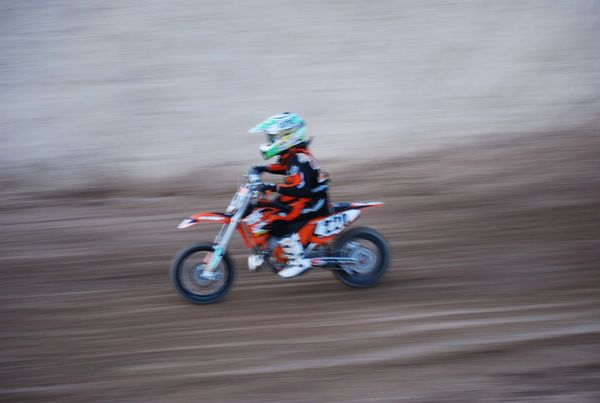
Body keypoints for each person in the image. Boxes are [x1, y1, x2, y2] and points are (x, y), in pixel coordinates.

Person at [249, 112, 329, 278]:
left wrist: (273, 186)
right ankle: (272, 250)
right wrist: (260, 168)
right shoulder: (292, 155)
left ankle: (299, 261)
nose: (270, 141)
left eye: (273, 137)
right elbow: (284, 168)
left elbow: (301, 189)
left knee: (280, 218)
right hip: (303, 199)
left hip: (313, 202)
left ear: (287, 136)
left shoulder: (299, 158)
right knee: (268, 210)